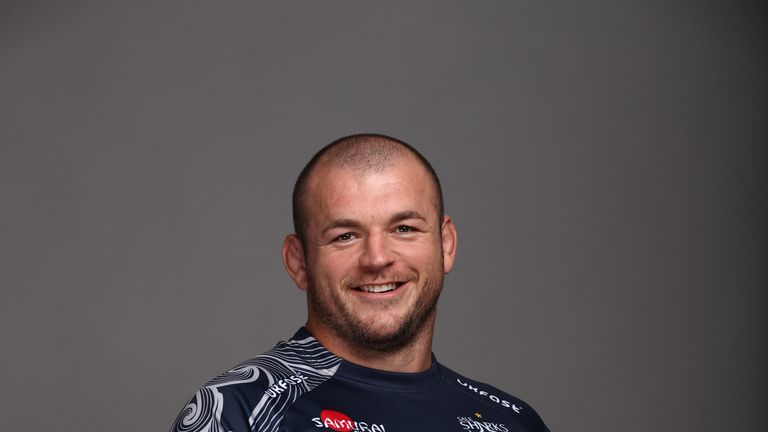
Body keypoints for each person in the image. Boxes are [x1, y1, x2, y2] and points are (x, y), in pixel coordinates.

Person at [170, 134, 550, 432]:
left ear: (445, 245)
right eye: (345, 236)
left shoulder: (513, 421)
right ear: (298, 261)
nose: (377, 258)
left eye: (404, 228)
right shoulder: (239, 412)